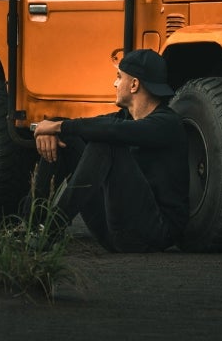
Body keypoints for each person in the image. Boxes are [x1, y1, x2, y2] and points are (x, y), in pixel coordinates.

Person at [29, 49, 188, 252]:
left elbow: (111, 131)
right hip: (113, 229)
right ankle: (29, 226)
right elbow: (86, 126)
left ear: (134, 85)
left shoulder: (167, 123)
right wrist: (50, 128)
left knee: (105, 142)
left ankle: (50, 230)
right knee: (67, 138)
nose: (114, 84)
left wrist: (55, 126)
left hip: (151, 232)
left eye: (119, 77)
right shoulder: (124, 117)